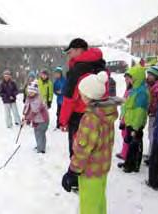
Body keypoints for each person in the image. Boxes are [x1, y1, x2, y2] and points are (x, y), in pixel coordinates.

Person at [62, 72, 122, 214]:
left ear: (89, 96)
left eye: (82, 93)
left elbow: (83, 149)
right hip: (102, 168)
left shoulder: (91, 119)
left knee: (89, 206)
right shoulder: (106, 113)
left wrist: (72, 171)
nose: (80, 96)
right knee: (98, 201)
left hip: (90, 170)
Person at [60, 38, 108, 158]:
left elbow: (69, 98)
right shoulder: (100, 64)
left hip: (79, 116)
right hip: (97, 113)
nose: (68, 55)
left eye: (70, 52)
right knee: (92, 148)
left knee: (77, 150)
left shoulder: (78, 69)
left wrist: (63, 121)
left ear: (79, 50)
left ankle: (75, 174)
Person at [118, 65, 150, 173]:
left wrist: (136, 127)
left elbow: (140, 112)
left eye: (130, 78)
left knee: (135, 145)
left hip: (136, 123)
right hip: (130, 121)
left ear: (137, 77)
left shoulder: (142, 92)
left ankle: (134, 165)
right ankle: (128, 162)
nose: (129, 80)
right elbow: (128, 106)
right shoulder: (135, 90)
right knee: (130, 144)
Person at [23, 80, 49, 153]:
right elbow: (27, 106)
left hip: (43, 120)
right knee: (38, 133)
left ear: (36, 91)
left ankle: (41, 149)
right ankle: (40, 146)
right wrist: (25, 114)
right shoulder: (29, 97)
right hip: (37, 120)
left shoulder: (38, 99)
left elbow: (34, 111)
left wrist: (27, 119)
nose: (30, 93)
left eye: (32, 92)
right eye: (29, 91)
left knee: (40, 133)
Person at [144, 66, 158, 165]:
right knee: (150, 135)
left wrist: (152, 110)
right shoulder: (152, 85)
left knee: (153, 136)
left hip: (155, 116)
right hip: (152, 115)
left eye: (150, 75)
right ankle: (150, 153)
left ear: (156, 76)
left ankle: (152, 156)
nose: (148, 77)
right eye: (148, 74)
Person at [116, 74, 132, 160]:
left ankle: (126, 154)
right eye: (125, 79)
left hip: (128, 117)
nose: (126, 81)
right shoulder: (128, 89)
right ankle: (124, 152)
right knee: (124, 134)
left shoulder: (132, 90)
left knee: (126, 135)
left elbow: (127, 103)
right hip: (124, 116)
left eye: (127, 79)